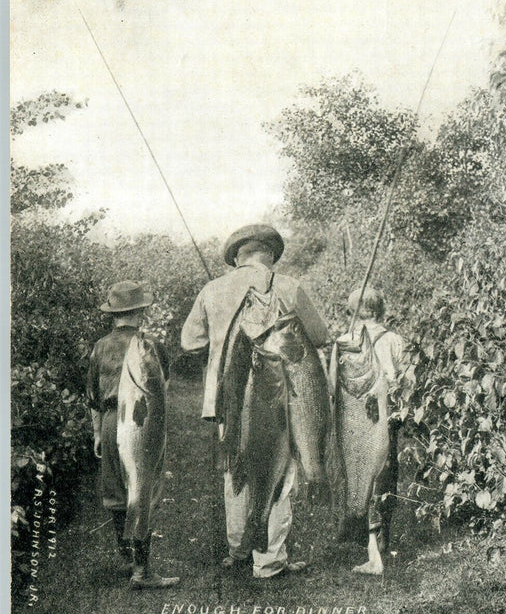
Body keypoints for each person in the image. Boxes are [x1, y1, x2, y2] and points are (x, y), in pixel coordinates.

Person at [181, 224, 329, 579]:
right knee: (278, 469)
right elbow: (321, 337)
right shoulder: (289, 286)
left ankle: (239, 549)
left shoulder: (212, 289)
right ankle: (269, 558)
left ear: (236, 257)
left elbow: (189, 343)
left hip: (227, 400)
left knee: (236, 469)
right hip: (276, 400)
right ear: (271, 254)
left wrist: (219, 337)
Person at [87, 280, 179, 589]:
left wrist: (99, 433)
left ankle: (127, 559)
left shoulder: (100, 347)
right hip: (143, 420)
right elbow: (162, 387)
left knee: (116, 492)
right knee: (144, 490)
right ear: (140, 311)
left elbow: (92, 396)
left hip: (114, 420)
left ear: (113, 313)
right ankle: (142, 570)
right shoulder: (151, 344)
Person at [336, 285, 405, 574]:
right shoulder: (394, 339)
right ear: (381, 309)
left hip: (356, 422)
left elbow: (333, 386)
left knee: (360, 477)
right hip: (384, 419)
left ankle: (374, 554)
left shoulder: (343, 340)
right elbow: (403, 379)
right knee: (383, 480)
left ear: (351, 311)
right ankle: (377, 550)